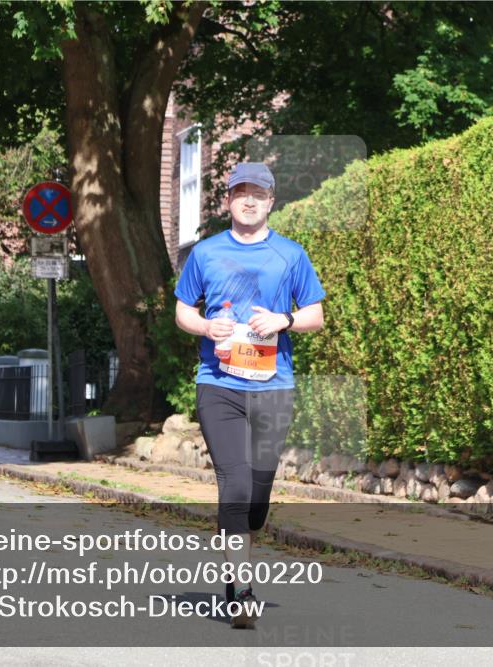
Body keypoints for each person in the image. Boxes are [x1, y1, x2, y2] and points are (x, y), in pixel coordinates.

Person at [173, 162, 325, 628]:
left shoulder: (291, 255)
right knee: (235, 486)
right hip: (219, 384)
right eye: (240, 192)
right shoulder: (205, 253)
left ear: (271, 201)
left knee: (257, 497)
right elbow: (183, 309)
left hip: (273, 387)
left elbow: (315, 314)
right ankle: (241, 591)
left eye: (258, 193)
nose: (249, 200)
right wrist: (204, 325)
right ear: (228, 200)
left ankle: (241, 537)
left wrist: (284, 321)